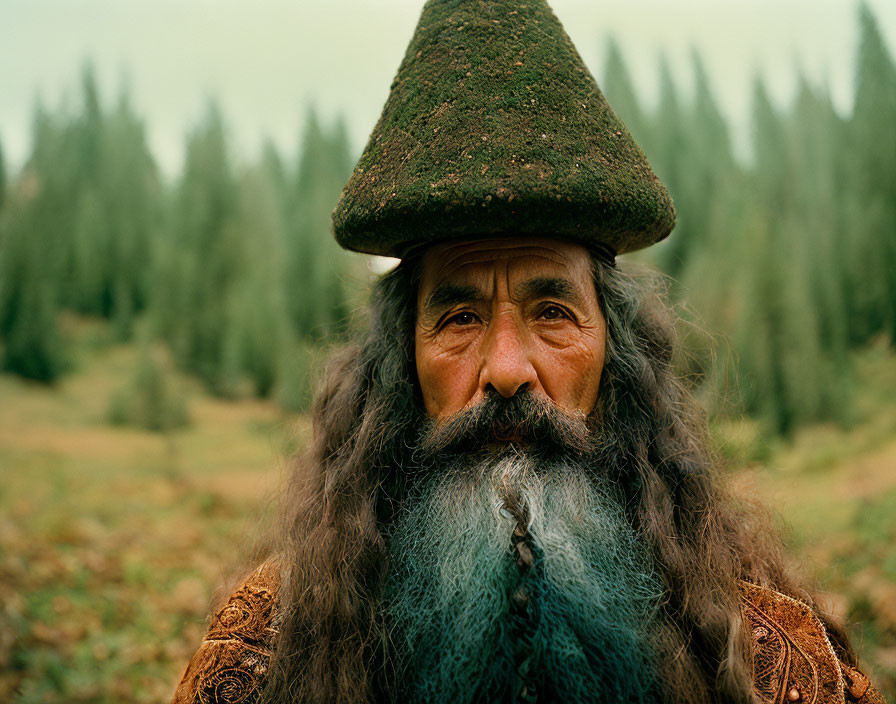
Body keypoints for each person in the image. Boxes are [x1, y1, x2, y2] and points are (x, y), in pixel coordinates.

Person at [170, 0, 883, 702]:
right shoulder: (275, 653)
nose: (507, 370)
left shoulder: (763, 659)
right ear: (399, 361)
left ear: (618, 354)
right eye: (458, 317)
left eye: (552, 312)